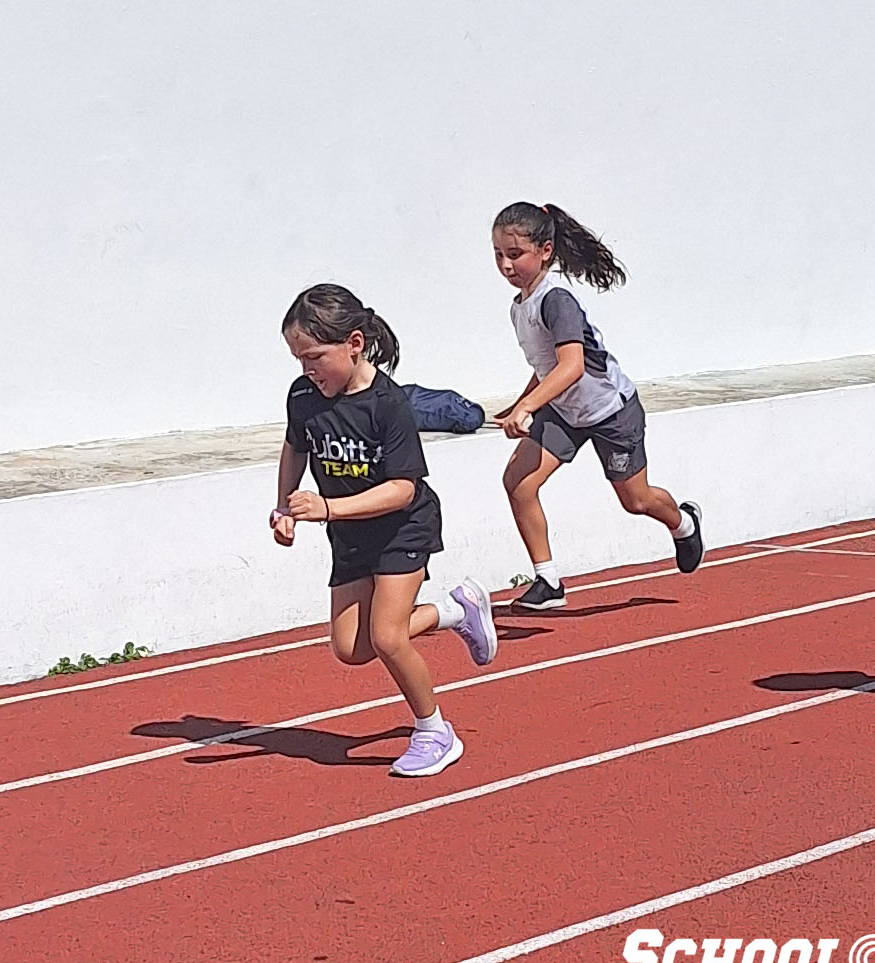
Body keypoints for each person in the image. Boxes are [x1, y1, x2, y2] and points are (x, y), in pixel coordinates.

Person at [273, 283, 496, 775]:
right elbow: (296, 447)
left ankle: (434, 731)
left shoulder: (388, 403)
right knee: (352, 647)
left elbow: (402, 489)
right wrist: (283, 507)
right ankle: (455, 610)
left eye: (314, 357)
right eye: (298, 360)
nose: (306, 369)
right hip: (352, 534)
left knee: (389, 637)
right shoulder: (304, 396)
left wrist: (328, 508)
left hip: (402, 527)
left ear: (354, 343)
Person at [491, 201, 705, 611]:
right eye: (498, 254)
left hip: (610, 411)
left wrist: (529, 407)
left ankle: (684, 522)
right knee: (519, 482)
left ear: (546, 251)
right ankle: (547, 580)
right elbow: (545, 367)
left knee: (635, 501)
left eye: (515, 254)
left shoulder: (556, 301)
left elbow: (571, 366)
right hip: (565, 412)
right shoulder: (520, 306)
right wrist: (518, 406)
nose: (505, 265)